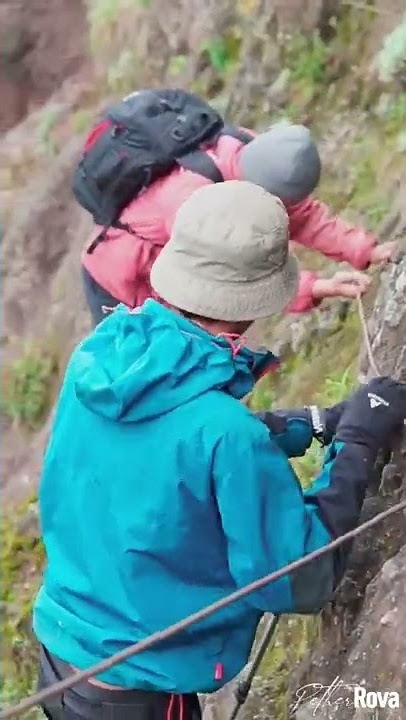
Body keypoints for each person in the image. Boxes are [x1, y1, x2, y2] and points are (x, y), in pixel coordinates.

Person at [34, 181, 406, 720]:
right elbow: (298, 575)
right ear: (256, 300)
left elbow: (168, 452)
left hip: (63, 655)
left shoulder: (99, 358)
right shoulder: (224, 434)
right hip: (141, 693)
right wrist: (359, 440)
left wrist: (313, 424)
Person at [80, 120, 396, 326]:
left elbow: (302, 216)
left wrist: (367, 250)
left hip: (179, 259)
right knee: (162, 363)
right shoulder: (195, 202)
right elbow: (236, 279)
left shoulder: (252, 150)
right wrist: (316, 286)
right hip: (121, 280)